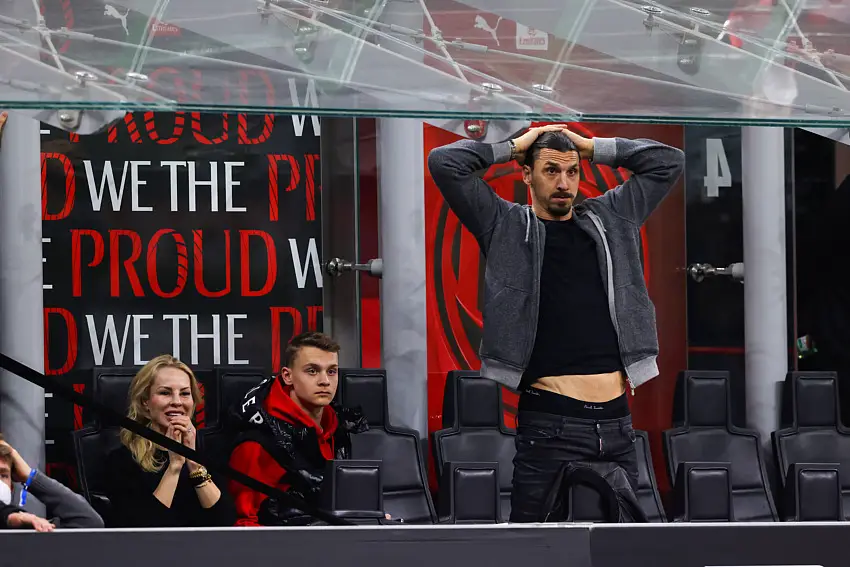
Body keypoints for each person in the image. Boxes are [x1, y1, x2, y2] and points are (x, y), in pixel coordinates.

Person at [428, 124, 684, 522]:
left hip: (617, 424)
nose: (564, 183)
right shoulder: (505, 224)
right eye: (551, 170)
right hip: (551, 425)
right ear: (527, 174)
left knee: (622, 545)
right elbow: (445, 163)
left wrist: (592, 147)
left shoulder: (612, 217)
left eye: (572, 171)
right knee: (535, 543)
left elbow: (669, 162)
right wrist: (514, 146)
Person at [228, 331, 368, 526]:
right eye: (312, 371)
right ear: (287, 376)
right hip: (284, 544)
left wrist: (369, 519)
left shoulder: (339, 429)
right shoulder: (258, 443)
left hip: (335, 539)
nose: (325, 381)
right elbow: (244, 526)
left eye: (331, 371)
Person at [103, 355, 235, 527]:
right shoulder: (122, 460)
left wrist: (194, 465)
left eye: (185, 393)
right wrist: (175, 466)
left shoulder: (210, 451)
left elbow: (225, 523)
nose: (177, 402)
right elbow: (143, 530)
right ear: (145, 402)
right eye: (165, 393)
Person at [0, 434, 102, 530]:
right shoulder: (13, 518)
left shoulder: (29, 528)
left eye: (3, 475)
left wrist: (30, 476)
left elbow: (89, 522)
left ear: (11, 486)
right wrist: (9, 515)